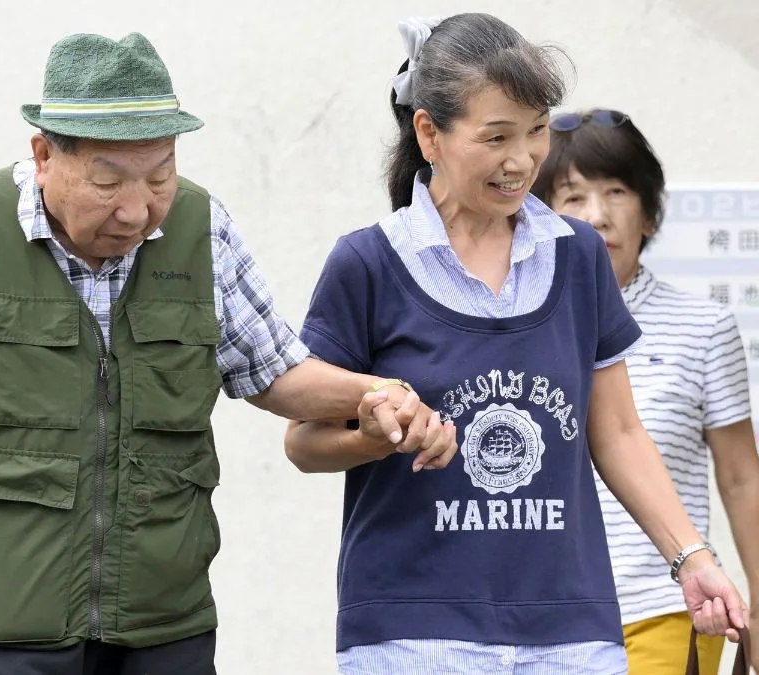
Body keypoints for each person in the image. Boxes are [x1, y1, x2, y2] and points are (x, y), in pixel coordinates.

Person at [0, 32, 456, 675]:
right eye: (108, 181)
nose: (137, 211)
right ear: (44, 154)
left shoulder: (200, 227)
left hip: (164, 621)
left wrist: (377, 394)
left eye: (160, 175)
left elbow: (275, 372)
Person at [284, 13, 748, 674]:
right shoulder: (369, 264)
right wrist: (376, 433)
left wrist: (692, 556)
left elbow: (616, 432)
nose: (523, 160)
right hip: (415, 630)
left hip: (571, 631)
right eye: (496, 136)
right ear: (429, 134)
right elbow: (303, 439)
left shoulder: (578, 257)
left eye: (536, 132)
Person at [533, 109, 759, 673]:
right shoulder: (521, 325)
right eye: (574, 197)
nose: (599, 216)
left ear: (650, 213)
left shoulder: (704, 326)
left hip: (670, 610)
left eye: (617, 192)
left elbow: (740, 476)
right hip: (544, 618)